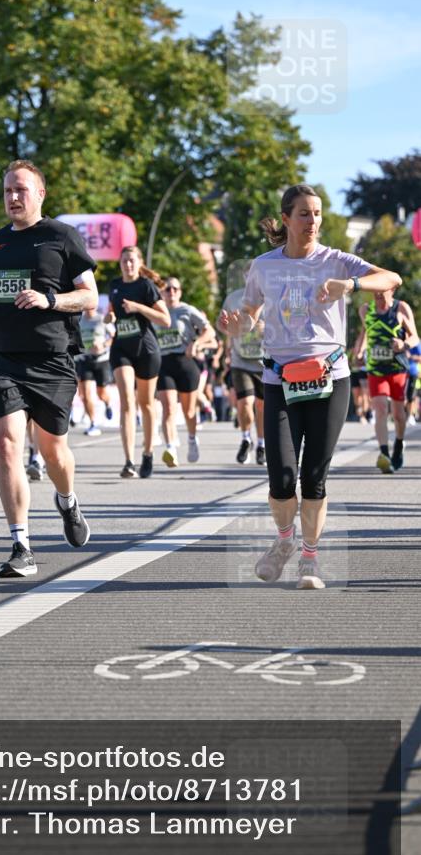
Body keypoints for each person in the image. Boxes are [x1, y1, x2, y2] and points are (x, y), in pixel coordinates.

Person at [218, 184, 402, 591]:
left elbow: (392, 277)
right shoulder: (263, 267)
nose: (313, 221)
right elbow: (249, 315)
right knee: (282, 476)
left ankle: (311, 560)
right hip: (279, 377)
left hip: (329, 377)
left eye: (317, 213)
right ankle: (284, 543)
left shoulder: (336, 261)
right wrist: (237, 326)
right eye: (304, 213)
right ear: (286, 219)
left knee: (314, 477)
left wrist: (349, 286)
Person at [0, 159, 98, 578]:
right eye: (7, 191)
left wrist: (50, 301)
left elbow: (89, 297)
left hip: (53, 360)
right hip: (3, 359)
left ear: (40, 193)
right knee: (7, 445)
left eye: (21, 189)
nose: (13, 197)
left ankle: (67, 498)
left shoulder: (62, 237)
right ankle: (21, 544)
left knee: (54, 451)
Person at [107, 246, 170, 478]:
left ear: (139, 262)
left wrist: (138, 308)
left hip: (146, 349)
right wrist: (110, 316)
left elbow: (166, 319)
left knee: (145, 403)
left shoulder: (146, 286)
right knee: (126, 401)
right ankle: (128, 461)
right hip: (121, 347)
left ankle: (148, 452)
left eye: (132, 261)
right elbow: (113, 311)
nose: (128, 265)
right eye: (124, 261)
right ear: (120, 263)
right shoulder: (114, 285)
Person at [354, 289, 419, 472]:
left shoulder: (401, 308)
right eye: (375, 292)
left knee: (398, 415)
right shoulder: (365, 310)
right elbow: (366, 332)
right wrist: (359, 350)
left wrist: (403, 344)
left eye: (382, 292)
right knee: (381, 409)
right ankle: (384, 454)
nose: (378, 296)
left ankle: (398, 444)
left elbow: (414, 337)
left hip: (396, 368)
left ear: (392, 290)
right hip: (376, 369)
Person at [156, 276, 212, 466]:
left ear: (180, 292)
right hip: (164, 363)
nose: (171, 292)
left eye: (175, 289)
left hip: (186, 362)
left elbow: (209, 331)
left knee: (189, 411)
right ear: (162, 292)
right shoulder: (156, 311)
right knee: (169, 407)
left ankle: (191, 438)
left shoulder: (187, 310)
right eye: (167, 289)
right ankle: (170, 447)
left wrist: (196, 343)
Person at [220, 275, 266, 465]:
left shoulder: (270, 298)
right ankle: (246, 438)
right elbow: (220, 324)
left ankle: (261, 444)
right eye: (247, 275)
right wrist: (227, 325)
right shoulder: (233, 298)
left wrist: (268, 327)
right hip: (241, 361)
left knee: (262, 407)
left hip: (264, 361)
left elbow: (286, 323)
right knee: (245, 403)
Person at [75, 302, 114, 437]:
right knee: (86, 394)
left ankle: (108, 403)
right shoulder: (79, 321)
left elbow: (113, 336)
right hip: (85, 360)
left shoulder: (102, 319)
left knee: (101, 393)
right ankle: (93, 423)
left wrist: (103, 344)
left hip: (101, 360)